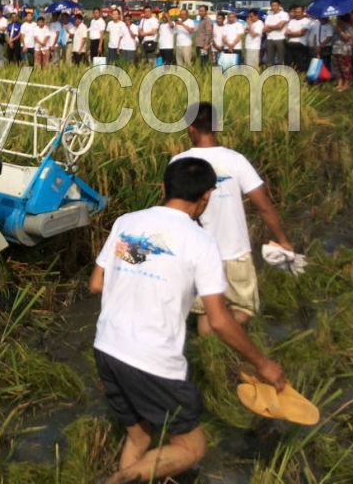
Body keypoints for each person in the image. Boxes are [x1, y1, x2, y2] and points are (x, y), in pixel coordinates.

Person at [89, 157, 286, 484]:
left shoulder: (128, 222)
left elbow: (97, 284)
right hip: (151, 361)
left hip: (107, 348)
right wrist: (262, 363)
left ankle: (124, 475)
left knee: (139, 436)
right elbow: (220, 321)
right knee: (192, 449)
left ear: (164, 187)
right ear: (206, 197)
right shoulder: (201, 243)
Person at [171, 102, 294, 334]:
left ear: (190, 129)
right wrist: (282, 239)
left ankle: (210, 355)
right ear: (217, 127)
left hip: (197, 255)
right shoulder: (236, 160)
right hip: (236, 252)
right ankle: (225, 339)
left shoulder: (178, 163)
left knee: (205, 311)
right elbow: (264, 207)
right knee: (245, 308)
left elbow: (170, 212)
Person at [332, 14, 353, 92]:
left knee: (345, 68)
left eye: (338, 18)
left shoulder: (348, 27)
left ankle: (346, 84)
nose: (337, 20)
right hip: (336, 49)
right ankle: (340, 83)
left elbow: (346, 38)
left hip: (345, 51)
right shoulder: (336, 27)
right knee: (337, 68)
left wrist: (340, 31)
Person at [263, 0, 289, 66]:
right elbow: (265, 29)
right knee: (269, 59)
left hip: (280, 38)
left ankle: (280, 73)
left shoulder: (284, 14)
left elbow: (280, 26)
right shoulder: (269, 16)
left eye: (275, 5)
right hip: (270, 38)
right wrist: (275, 26)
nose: (274, 7)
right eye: (272, 5)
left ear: (279, 6)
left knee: (281, 58)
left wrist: (270, 26)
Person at [283, 5, 310, 70]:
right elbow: (286, 33)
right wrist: (296, 33)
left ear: (303, 12)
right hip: (290, 44)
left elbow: (301, 33)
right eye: (296, 12)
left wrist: (291, 33)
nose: (297, 14)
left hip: (301, 45)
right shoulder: (292, 21)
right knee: (289, 63)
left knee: (300, 64)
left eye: (299, 12)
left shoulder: (307, 21)